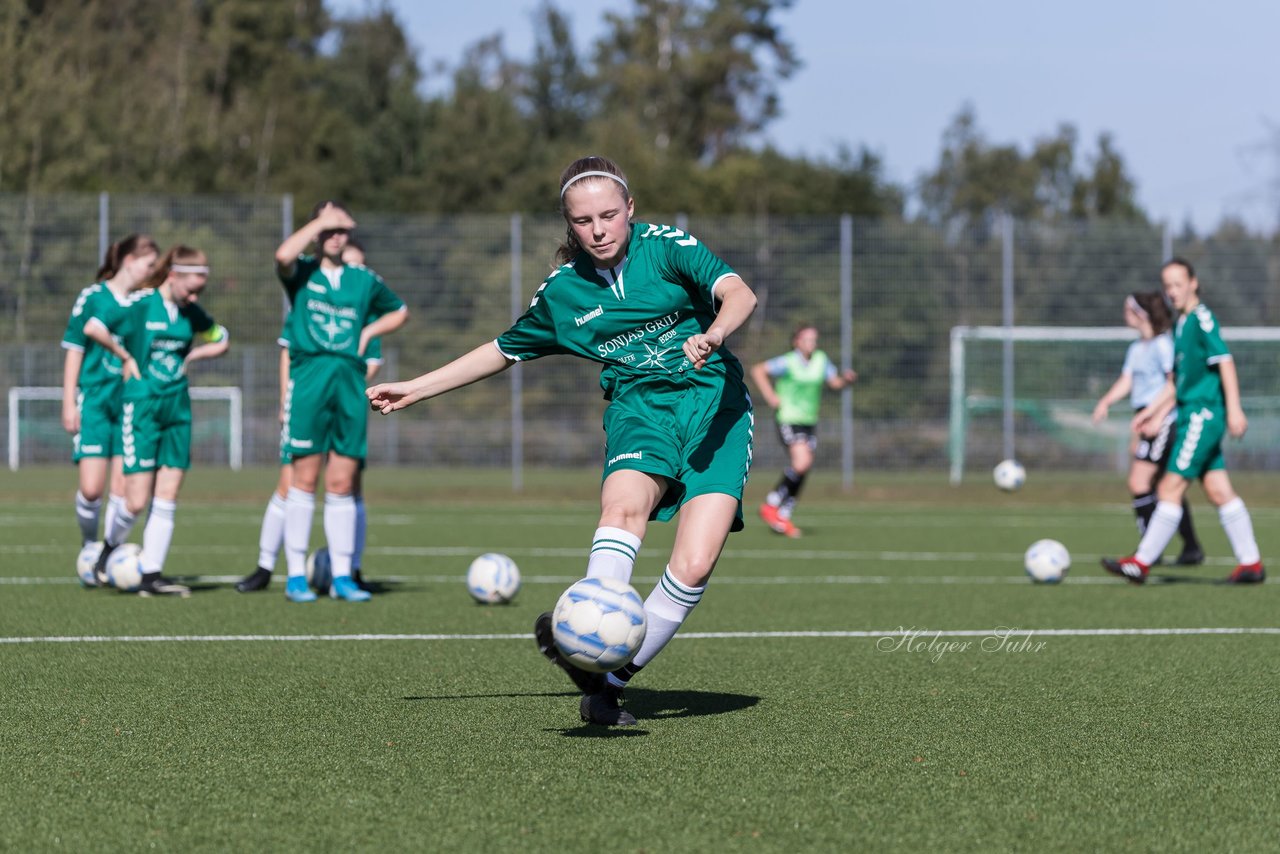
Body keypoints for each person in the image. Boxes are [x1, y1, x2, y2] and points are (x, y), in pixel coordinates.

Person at [368, 155, 758, 727]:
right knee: (624, 509)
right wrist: (417, 389)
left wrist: (715, 331)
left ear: (630, 210)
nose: (598, 230)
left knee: (695, 565)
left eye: (608, 215)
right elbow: (501, 350)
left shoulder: (668, 246)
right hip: (640, 409)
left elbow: (739, 292)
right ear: (568, 225)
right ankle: (589, 636)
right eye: (583, 221)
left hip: (716, 408)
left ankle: (605, 680)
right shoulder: (563, 294)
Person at [273, 203, 408, 603]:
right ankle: (296, 575)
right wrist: (320, 221)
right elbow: (281, 256)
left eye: (342, 229)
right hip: (309, 377)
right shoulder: (302, 272)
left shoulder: (362, 279)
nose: (336, 236)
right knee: (304, 479)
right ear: (317, 232)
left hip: (349, 381)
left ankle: (344, 576)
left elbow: (399, 311)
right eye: (329, 229)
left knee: (342, 482)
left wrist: (367, 333)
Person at [236, 237, 384, 593]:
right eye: (350, 263)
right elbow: (288, 351)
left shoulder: (363, 314)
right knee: (291, 483)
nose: (354, 272)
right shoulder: (310, 300)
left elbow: (372, 363)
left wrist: (344, 388)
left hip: (343, 405)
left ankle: (351, 569)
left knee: (347, 487)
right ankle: (266, 565)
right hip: (307, 399)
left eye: (359, 266)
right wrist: (288, 398)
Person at [1102, 258, 1263, 584]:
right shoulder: (1180, 326)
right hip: (1190, 413)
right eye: (1167, 286)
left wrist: (1234, 408)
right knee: (1218, 491)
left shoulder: (1202, 318)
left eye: (1178, 284)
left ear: (1193, 283)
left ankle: (1141, 562)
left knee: (1169, 486)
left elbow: (1225, 362)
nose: (1172, 291)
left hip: (1203, 415)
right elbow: (1176, 382)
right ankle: (1251, 565)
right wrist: (1153, 410)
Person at [86, 245, 230, 596]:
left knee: (167, 494)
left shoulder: (190, 312)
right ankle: (107, 550)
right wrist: (123, 356)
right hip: (143, 406)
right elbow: (93, 327)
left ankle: (151, 575)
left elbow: (222, 337)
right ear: (173, 275)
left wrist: (195, 353)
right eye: (191, 287)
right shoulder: (141, 304)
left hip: (177, 407)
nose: (195, 295)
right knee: (135, 500)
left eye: (200, 289)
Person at [61, 234, 159, 561]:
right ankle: (89, 546)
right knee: (91, 489)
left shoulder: (145, 302)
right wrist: (68, 401)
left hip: (129, 404)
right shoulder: (92, 297)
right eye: (149, 265)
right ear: (129, 262)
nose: (152, 271)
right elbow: (75, 350)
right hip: (95, 401)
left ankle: (107, 555)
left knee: (121, 488)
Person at [1092, 291, 1202, 564]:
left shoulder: (1164, 345)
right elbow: (1127, 380)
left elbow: (1174, 384)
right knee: (1165, 486)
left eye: (1128, 309)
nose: (1124, 314)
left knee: (1140, 482)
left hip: (1163, 419)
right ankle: (1190, 548)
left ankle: (1149, 551)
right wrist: (1106, 400)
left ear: (1141, 313)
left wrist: (1157, 417)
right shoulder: (1137, 348)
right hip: (1146, 418)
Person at [750, 324, 857, 537]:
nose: (812, 343)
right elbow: (758, 370)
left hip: (809, 421)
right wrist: (770, 395)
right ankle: (772, 505)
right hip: (788, 418)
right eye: (807, 339)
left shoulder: (821, 360)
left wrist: (845, 380)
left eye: (814, 339)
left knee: (802, 468)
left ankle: (783, 514)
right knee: (802, 462)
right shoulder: (788, 361)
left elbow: (833, 382)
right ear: (796, 341)